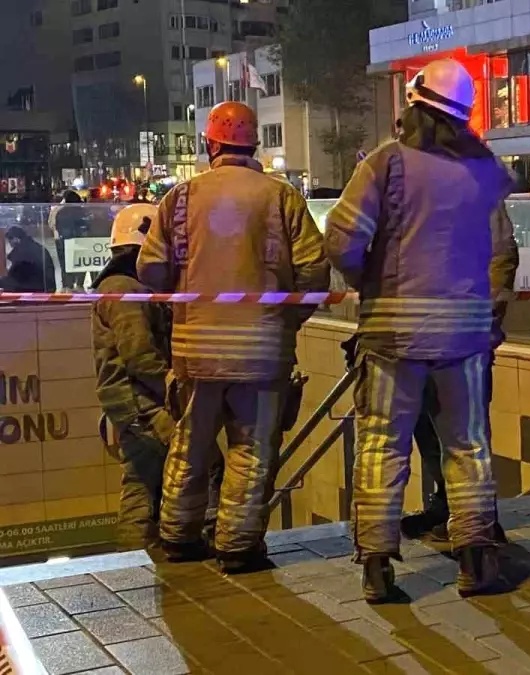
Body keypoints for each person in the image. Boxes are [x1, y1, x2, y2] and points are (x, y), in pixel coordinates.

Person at [324, 59, 512, 602]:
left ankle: (379, 570)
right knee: (468, 444)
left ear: (413, 103)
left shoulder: (386, 165)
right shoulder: (486, 170)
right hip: (468, 338)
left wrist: (371, 279)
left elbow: (341, 242)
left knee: (383, 444)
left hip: (393, 335)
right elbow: (502, 254)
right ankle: (478, 562)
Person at [138, 101, 330, 574]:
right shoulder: (281, 196)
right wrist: (285, 323)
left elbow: (150, 268)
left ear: (211, 143)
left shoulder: (180, 197)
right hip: (262, 354)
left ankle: (179, 539)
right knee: (252, 449)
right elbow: (314, 270)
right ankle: (237, 547)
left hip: (194, 352)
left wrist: (184, 306)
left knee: (189, 445)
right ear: (253, 145)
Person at [399, 204, 519, 543]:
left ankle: (480, 523)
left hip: (462, 340)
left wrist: (485, 321)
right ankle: (448, 504)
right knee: (426, 426)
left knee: (466, 436)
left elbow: (502, 259)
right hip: (417, 340)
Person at [92, 203, 174, 550]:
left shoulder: (121, 286)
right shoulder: (127, 290)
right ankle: (158, 552)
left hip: (130, 400)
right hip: (141, 400)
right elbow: (139, 354)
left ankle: (135, 563)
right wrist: (172, 384)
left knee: (141, 481)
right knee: (198, 463)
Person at [51, 191, 90, 290]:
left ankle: (67, 286)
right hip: (80, 242)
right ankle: (79, 285)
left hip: (63, 241)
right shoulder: (82, 211)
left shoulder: (60, 211)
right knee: (81, 263)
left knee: (65, 265)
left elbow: (54, 226)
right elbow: (87, 226)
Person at [4, 226, 56, 292]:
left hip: (34, 289)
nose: (10, 245)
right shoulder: (37, 247)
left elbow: (13, 278)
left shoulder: (21, 253)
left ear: (16, 239)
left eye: (10, 241)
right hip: (47, 287)